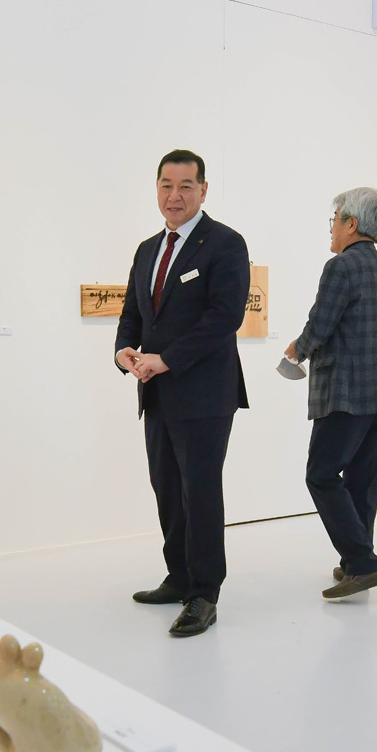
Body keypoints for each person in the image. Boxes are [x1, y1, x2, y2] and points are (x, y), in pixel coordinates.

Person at [115, 150, 249, 637]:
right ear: (156, 189)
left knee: (201, 492)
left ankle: (204, 593)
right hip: (156, 391)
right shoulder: (148, 249)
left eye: (186, 186)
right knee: (168, 489)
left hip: (204, 394)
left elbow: (224, 318)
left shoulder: (225, 244)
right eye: (166, 185)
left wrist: (167, 359)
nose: (175, 196)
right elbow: (133, 312)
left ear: (203, 190)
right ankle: (179, 577)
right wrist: (123, 352)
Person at [285, 187, 377, 600]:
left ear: (351, 224)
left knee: (320, 474)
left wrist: (296, 350)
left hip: (345, 393)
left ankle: (365, 562)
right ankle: (356, 564)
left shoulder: (341, 267)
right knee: (362, 478)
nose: (331, 228)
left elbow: (321, 324)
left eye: (334, 219)